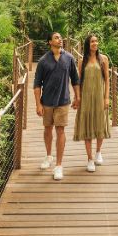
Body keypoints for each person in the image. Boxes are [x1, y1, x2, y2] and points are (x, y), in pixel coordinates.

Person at [33, 32, 80, 180]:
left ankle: (59, 166)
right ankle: (49, 156)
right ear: (49, 42)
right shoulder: (43, 61)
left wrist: (78, 97)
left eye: (60, 37)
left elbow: (75, 80)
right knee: (47, 129)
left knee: (60, 130)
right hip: (46, 102)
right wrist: (37, 104)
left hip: (63, 101)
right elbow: (36, 85)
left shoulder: (69, 58)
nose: (60, 40)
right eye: (56, 38)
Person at [74, 33, 110, 172]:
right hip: (86, 98)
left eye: (96, 41)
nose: (95, 43)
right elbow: (79, 81)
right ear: (88, 45)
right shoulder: (82, 61)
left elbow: (107, 80)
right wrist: (78, 98)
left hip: (100, 97)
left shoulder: (104, 59)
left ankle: (98, 152)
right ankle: (89, 159)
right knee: (87, 126)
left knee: (100, 124)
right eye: (92, 42)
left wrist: (106, 98)